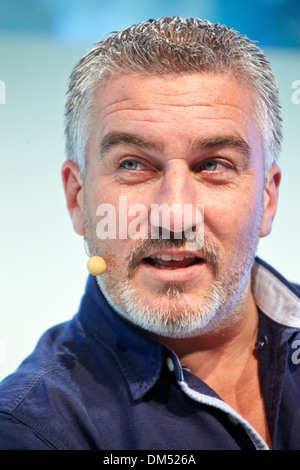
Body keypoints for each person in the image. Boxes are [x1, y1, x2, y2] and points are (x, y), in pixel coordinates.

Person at [0, 16, 299, 451]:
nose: (174, 216)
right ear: (76, 199)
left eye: (213, 165)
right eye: (133, 165)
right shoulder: (32, 432)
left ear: (268, 201)